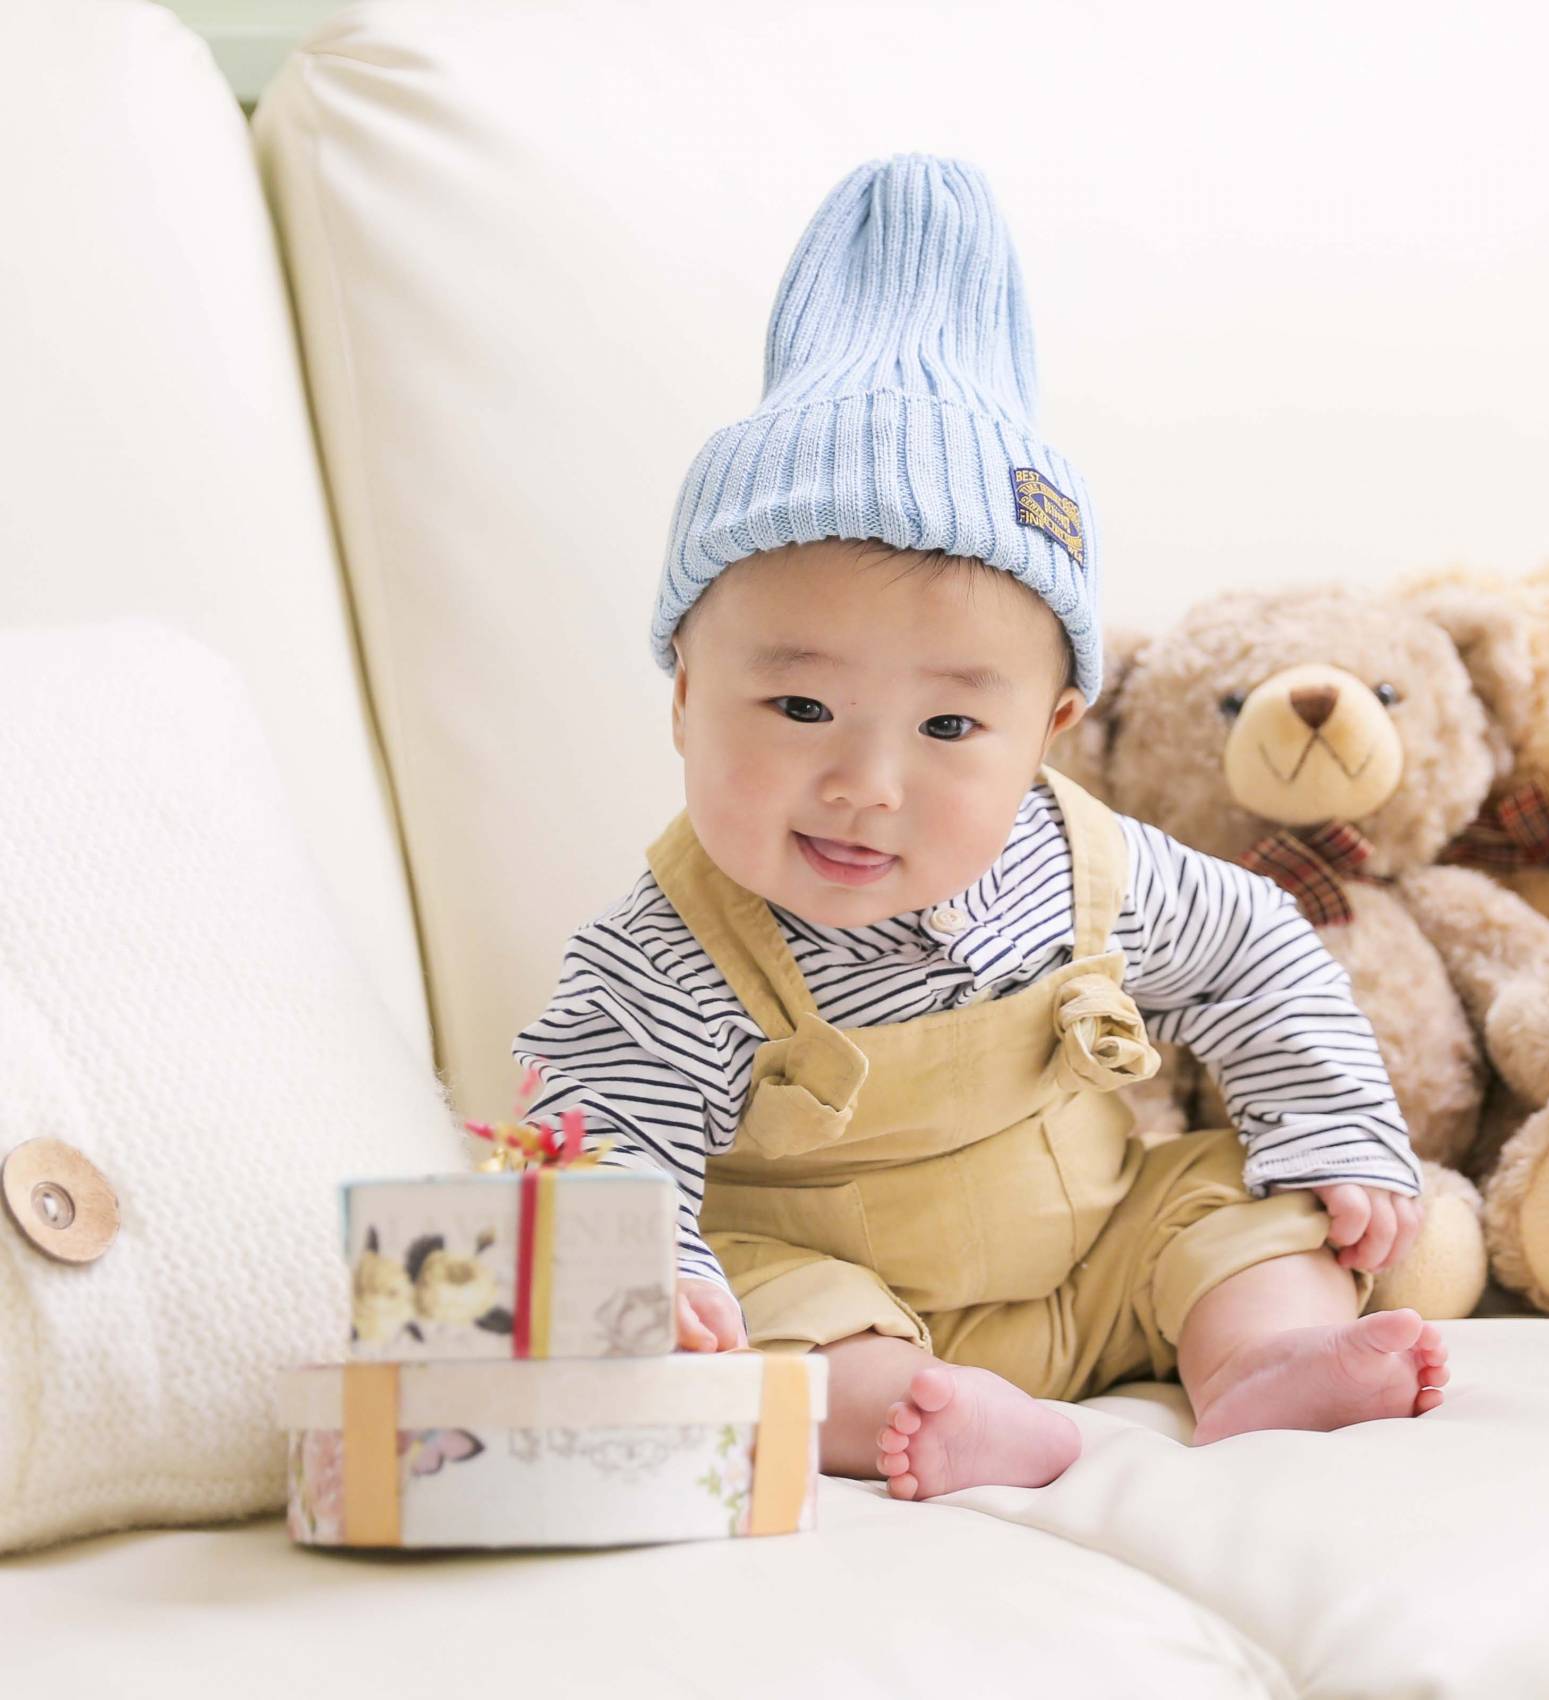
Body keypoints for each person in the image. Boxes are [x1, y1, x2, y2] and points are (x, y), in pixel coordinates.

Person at [515, 154, 1448, 1502]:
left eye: (950, 730)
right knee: (748, 1328)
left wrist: (1330, 1127)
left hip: (1098, 1259)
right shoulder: (666, 954)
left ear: (1049, 732)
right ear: (680, 695)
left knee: (1237, 1200)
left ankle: (1259, 1361)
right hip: (848, 1298)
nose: (866, 784)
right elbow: (596, 1134)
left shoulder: (1086, 870)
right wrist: (654, 1275)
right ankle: (930, 1416)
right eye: (796, 703)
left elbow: (1253, 947)